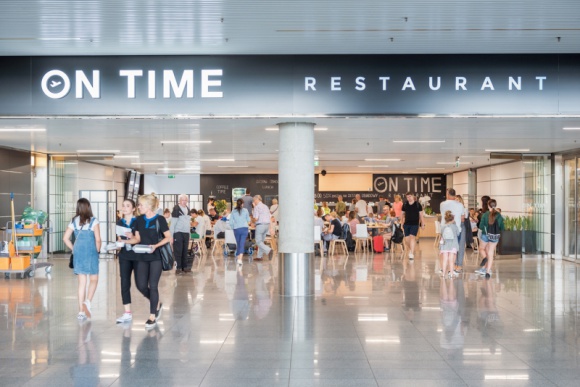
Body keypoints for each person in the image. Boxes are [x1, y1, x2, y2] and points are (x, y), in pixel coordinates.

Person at [125, 193, 172, 329]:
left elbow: (168, 237)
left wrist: (155, 246)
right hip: (141, 256)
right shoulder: (139, 220)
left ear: (148, 206)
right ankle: (156, 302)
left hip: (156, 256)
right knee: (140, 285)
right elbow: (137, 239)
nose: (138, 207)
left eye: (140, 205)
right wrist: (126, 239)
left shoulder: (160, 219)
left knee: (153, 285)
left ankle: (152, 315)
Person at [63, 198, 101, 321]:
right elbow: (98, 239)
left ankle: (80, 311)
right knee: (94, 279)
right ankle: (88, 302)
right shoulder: (94, 221)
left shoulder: (74, 221)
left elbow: (65, 238)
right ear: (89, 207)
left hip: (79, 253)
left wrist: (74, 248)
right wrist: (98, 250)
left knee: (81, 283)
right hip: (91, 252)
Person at [115, 199, 138, 323]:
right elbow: (119, 238)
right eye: (123, 205)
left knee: (141, 283)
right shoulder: (120, 222)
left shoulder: (138, 221)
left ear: (133, 208)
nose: (124, 208)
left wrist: (132, 237)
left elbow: (141, 239)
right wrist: (118, 243)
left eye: (127, 206)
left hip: (138, 255)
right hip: (124, 255)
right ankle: (127, 312)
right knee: (124, 282)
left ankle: (155, 305)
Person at [476, 199, 504, 278]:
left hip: (485, 235)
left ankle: (485, 257)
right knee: (491, 252)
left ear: (488, 206)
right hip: (494, 236)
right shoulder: (498, 215)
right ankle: (488, 272)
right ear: (495, 205)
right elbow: (502, 226)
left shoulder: (485, 214)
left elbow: (481, 226)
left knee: (481, 248)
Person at [440, 188, 465, 273]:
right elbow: (462, 219)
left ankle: (445, 268)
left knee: (444, 250)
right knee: (454, 250)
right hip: (456, 229)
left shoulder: (442, 204)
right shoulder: (460, 205)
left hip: (444, 230)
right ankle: (454, 267)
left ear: (447, 194)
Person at [170, 194, 191, 274]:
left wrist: (189, 234)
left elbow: (188, 223)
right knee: (178, 251)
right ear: (179, 200)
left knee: (185, 250)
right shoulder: (176, 209)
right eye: (183, 200)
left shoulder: (188, 209)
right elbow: (173, 224)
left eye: (185, 200)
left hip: (186, 233)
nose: (184, 201)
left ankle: (184, 267)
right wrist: (171, 236)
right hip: (178, 232)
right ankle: (178, 268)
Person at [401, 192, 425, 259]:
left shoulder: (418, 205)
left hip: (415, 224)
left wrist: (422, 224)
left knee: (412, 237)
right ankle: (411, 249)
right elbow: (402, 214)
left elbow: (421, 215)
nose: (409, 198)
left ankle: (411, 253)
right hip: (406, 224)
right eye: (407, 197)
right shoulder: (405, 204)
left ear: (413, 196)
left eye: (410, 196)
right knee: (407, 240)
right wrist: (401, 223)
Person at [229, 198, 251, 266]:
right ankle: (239, 259)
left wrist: (233, 227)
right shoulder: (245, 210)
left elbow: (231, 222)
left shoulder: (233, 211)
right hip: (244, 228)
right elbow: (248, 220)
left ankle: (239, 258)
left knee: (238, 243)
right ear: (242, 204)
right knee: (242, 243)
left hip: (236, 229)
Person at [439, 210, 460, 279]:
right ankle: (451, 274)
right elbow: (458, 234)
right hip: (453, 245)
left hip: (444, 245)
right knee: (451, 260)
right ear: (453, 219)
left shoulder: (443, 226)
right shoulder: (454, 226)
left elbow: (441, 234)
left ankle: (443, 274)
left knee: (445, 260)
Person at [252, 195, 273, 261]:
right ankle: (259, 256)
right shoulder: (266, 206)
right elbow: (270, 217)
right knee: (261, 241)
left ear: (256, 200)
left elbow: (256, 218)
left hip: (260, 225)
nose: (254, 202)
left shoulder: (257, 207)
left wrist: (252, 221)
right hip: (266, 225)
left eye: (254, 200)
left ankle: (268, 250)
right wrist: (271, 228)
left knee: (258, 241)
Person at [477, 195, 491, 267]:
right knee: (488, 250)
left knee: (482, 249)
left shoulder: (483, 212)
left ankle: (485, 262)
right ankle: (487, 268)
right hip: (491, 232)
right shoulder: (491, 212)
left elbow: (481, 224)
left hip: (483, 231)